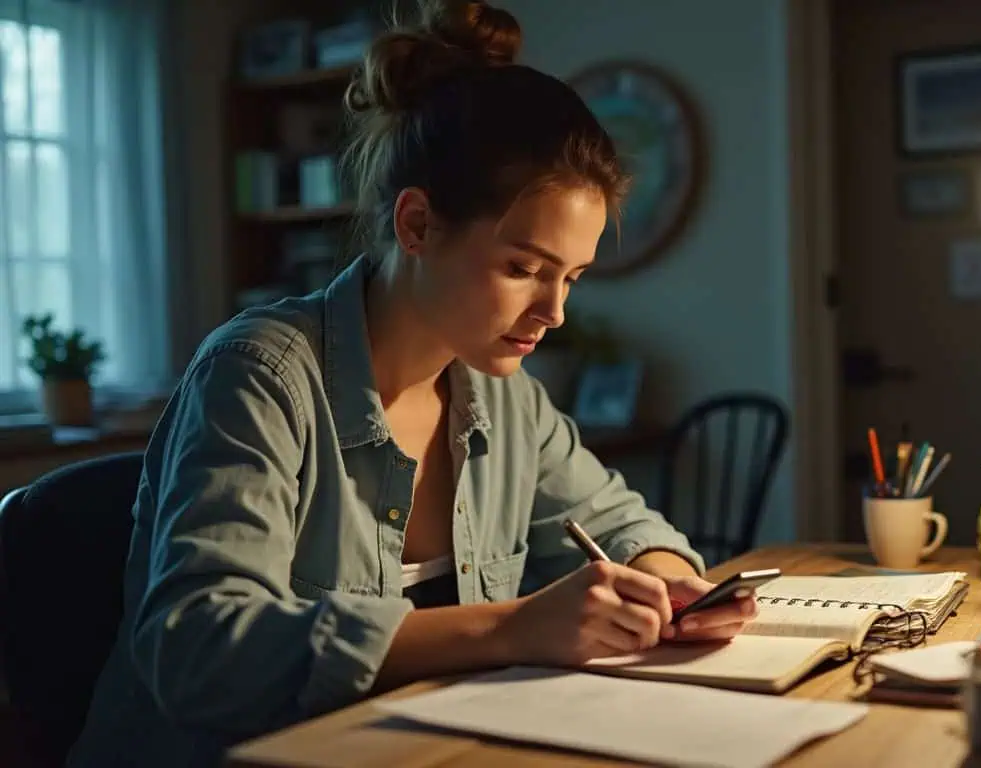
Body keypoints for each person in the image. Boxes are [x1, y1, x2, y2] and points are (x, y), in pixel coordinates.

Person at [66, 2, 756, 765]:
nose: (554, 311)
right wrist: (510, 627)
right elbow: (198, 646)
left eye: (572, 277)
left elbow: (624, 523)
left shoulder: (505, 396)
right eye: (523, 269)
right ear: (418, 225)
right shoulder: (260, 376)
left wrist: (667, 585)